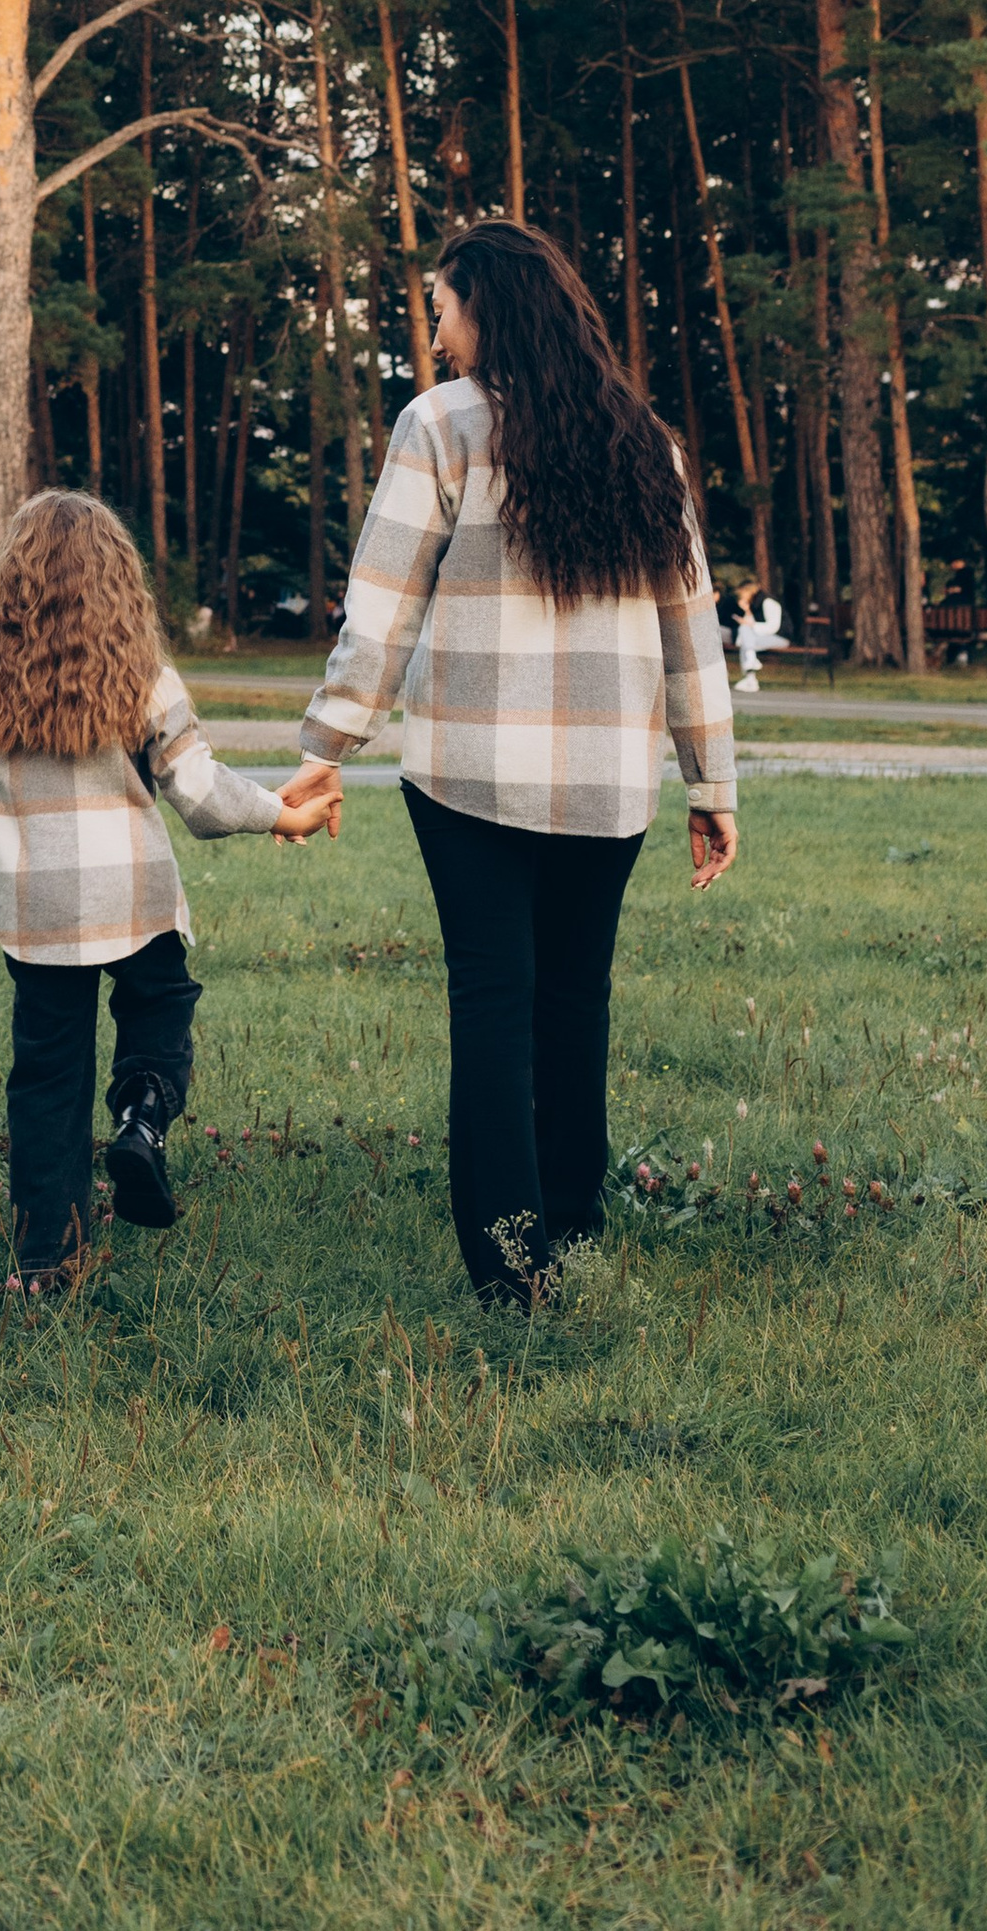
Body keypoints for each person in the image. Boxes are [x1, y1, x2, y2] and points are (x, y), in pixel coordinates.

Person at [284, 219, 737, 1311]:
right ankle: (571, 1234)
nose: (435, 335)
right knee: (574, 1002)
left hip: (468, 775)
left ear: (485, 308)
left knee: (493, 1003)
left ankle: (508, 1263)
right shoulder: (643, 439)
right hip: (605, 782)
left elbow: (380, 611)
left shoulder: (440, 425)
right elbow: (692, 627)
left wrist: (323, 747)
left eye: (441, 310)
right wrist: (709, 783)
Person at [0, 490, 336, 1285]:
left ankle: (47, 1256)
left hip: (39, 911)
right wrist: (278, 817)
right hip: (135, 900)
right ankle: (143, 1117)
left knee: (47, 1074)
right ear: (121, 580)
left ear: (14, 581)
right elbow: (199, 789)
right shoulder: (144, 674)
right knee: (160, 1008)